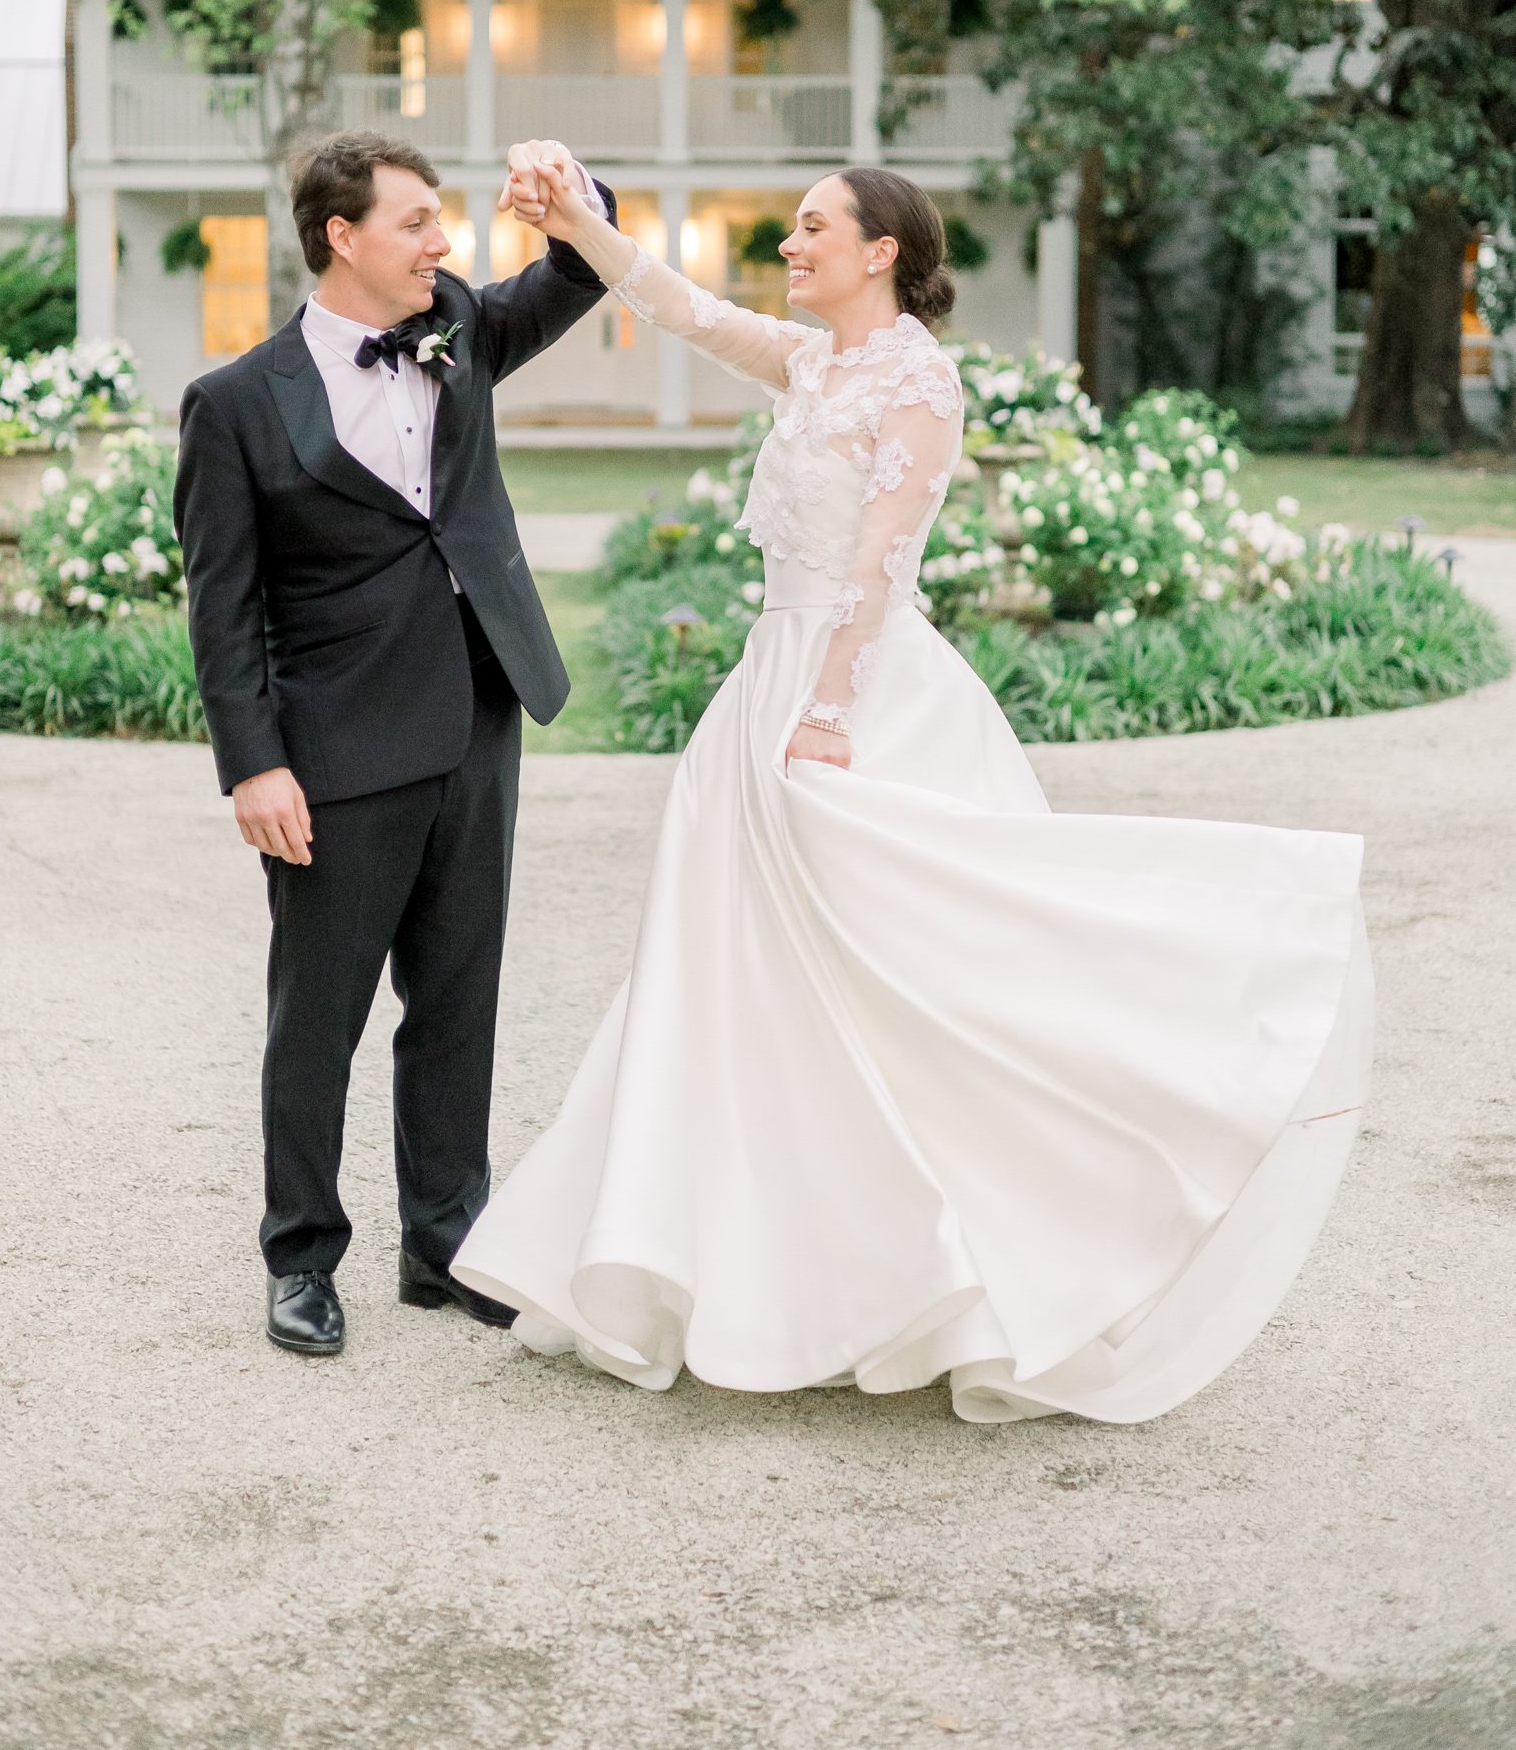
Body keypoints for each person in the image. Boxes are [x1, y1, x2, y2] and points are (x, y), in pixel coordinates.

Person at [453, 154, 1374, 1424]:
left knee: (911, 971)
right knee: (738, 977)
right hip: (761, 687)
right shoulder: (809, 361)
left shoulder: (915, 377)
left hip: (855, 694)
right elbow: (675, 303)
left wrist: (826, 712)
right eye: (791, 227)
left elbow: (881, 561)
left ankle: (967, 1257)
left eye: (813, 226)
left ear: (881, 249)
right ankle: (751, 1263)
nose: (790, 241)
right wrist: (579, 225)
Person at [173, 130, 614, 1357]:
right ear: (343, 237)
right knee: (318, 1014)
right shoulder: (235, 405)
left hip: (478, 715)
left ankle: (446, 1241)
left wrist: (572, 196)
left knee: (458, 997)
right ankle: (301, 1255)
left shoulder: (461, 325)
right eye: (418, 221)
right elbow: (224, 606)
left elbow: (574, 275)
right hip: (335, 749)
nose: (444, 242)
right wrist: (253, 762)